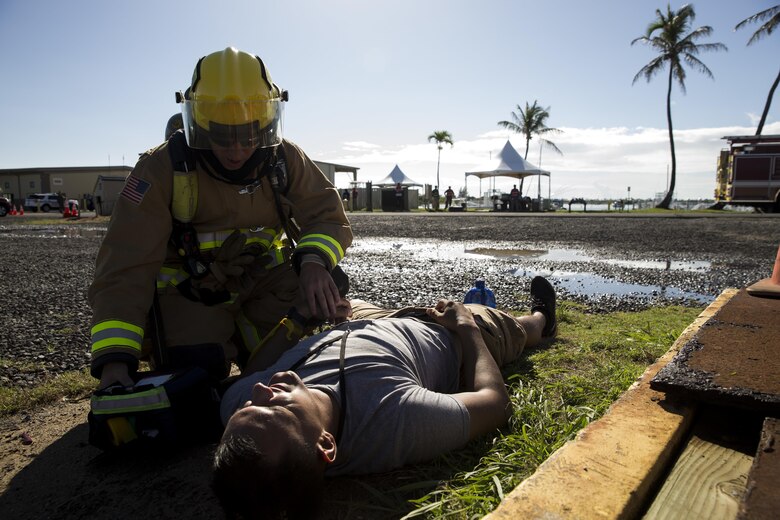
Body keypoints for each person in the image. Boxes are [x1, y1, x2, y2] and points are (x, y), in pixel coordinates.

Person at [88, 47, 353, 391]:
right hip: (194, 293)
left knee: (300, 337)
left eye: (248, 135)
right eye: (222, 135)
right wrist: (114, 362)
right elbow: (125, 264)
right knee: (197, 371)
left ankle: (254, 345)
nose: (237, 150)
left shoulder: (285, 158)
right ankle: (222, 348)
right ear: (197, 121)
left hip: (265, 286)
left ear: (268, 120)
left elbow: (328, 216)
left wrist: (315, 262)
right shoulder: (161, 168)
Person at [213, 276, 557, 519]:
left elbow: (251, 374)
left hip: (361, 323)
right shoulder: (392, 419)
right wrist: (465, 324)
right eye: (276, 409)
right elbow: (494, 403)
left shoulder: (244, 413)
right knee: (513, 327)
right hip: (447, 334)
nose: (261, 391)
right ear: (326, 444)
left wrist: (300, 317)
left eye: (249, 405)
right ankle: (543, 318)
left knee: (352, 300)